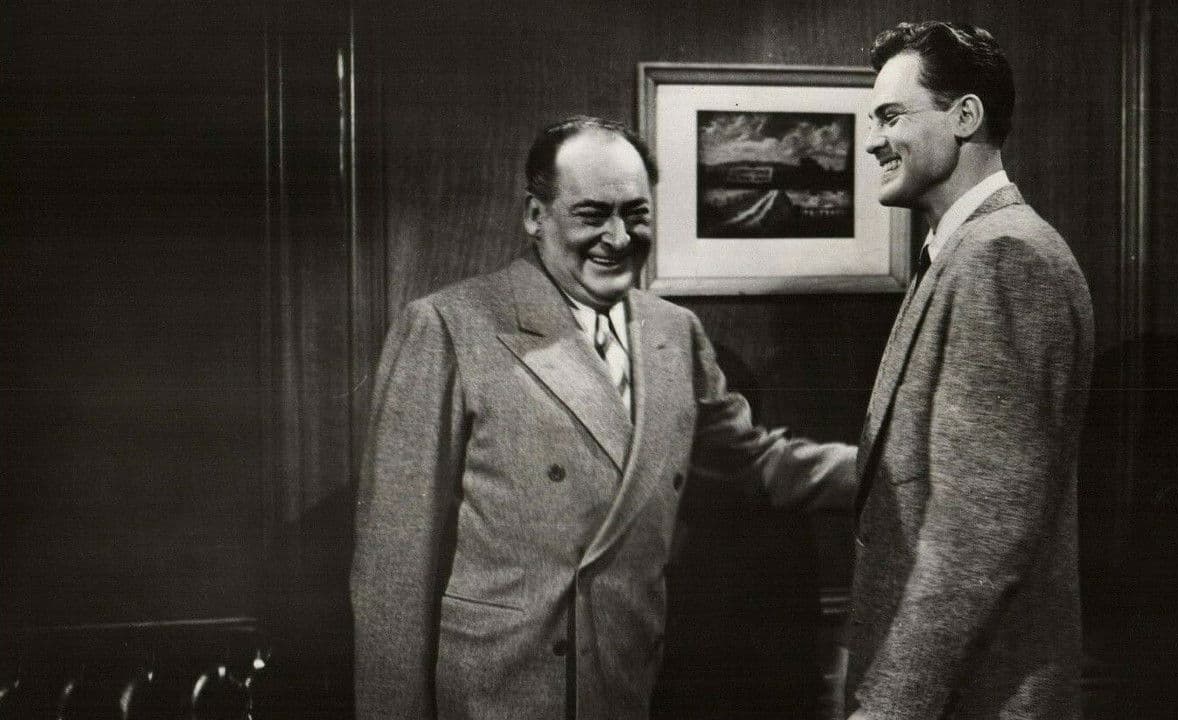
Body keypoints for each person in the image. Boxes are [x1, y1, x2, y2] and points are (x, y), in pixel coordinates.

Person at [349, 116, 859, 720]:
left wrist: (884, 468)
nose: (617, 238)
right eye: (592, 215)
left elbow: (750, 462)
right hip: (498, 693)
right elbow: (393, 572)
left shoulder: (675, 332)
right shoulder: (449, 326)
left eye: (636, 214)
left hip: (625, 681)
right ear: (535, 216)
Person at [842, 21, 1095, 720]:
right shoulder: (966, 252)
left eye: (891, 116)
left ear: (965, 116)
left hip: (974, 696)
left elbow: (979, 528)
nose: (872, 140)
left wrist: (889, 707)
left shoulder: (1002, 258)